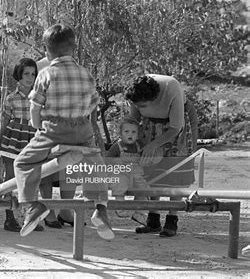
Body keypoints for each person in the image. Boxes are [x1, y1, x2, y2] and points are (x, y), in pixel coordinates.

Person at [14, 24, 113, 239]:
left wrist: (37, 125)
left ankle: (32, 206)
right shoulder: (86, 74)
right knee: (96, 166)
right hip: (82, 129)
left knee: (22, 163)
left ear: (47, 51)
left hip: (53, 130)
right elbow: (93, 104)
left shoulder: (46, 74)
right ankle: (101, 208)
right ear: (73, 49)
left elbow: (35, 106)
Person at [125, 74, 198, 237]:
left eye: (142, 105)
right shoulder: (136, 95)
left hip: (175, 128)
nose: (139, 107)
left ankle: (172, 220)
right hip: (150, 126)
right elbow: (133, 119)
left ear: (154, 99)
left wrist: (154, 144)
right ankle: (153, 219)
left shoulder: (172, 89)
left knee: (174, 174)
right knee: (152, 172)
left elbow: (176, 127)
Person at [0, 58, 62, 231]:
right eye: (26, 73)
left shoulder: (41, 97)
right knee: (11, 177)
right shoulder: (11, 98)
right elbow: (4, 122)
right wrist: (0, 146)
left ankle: (31, 217)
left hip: (33, 137)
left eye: (33, 74)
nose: (30, 77)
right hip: (14, 138)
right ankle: (9, 217)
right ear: (18, 75)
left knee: (35, 176)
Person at [105, 117, 149, 218]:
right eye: (126, 131)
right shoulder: (117, 147)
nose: (130, 134)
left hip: (135, 175)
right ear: (120, 134)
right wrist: (115, 162)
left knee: (144, 189)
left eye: (134, 132)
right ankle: (120, 208)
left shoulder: (139, 147)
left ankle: (139, 212)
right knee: (120, 183)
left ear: (137, 135)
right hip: (121, 174)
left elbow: (144, 160)